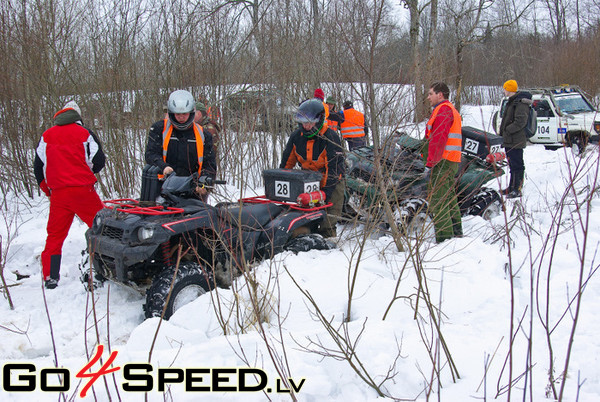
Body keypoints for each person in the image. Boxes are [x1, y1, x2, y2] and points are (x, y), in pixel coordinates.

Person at [34, 101, 106, 289]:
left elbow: (38, 167)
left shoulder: (47, 135)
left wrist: (48, 190)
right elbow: (98, 160)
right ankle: (104, 267)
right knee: (104, 229)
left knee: (55, 236)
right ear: (78, 117)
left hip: (59, 193)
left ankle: (50, 277)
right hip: (83, 191)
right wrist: (87, 171)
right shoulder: (85, 133)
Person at [280, 99, 345, 238]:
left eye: (310, 122)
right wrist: (281, 181)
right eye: (304, 122)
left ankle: (328, 241)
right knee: (304, 215)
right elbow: (287, 163)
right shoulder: (296, 137)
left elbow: (333, 169)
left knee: (327, 220)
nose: (307, 126)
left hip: (331, 180)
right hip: (307, 179)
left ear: (319, 120)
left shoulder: (330, 137)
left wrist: (325, 194)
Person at [145, 90, 216, 200]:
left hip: (192, 190)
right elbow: (150, 154)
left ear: (191, 113)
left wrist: (205, 179)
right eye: (178, 114)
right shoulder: (159, 129)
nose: (181, 117)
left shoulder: (204, 135)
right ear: (172, 113)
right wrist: (164, 167)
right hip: (162, 187)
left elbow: (210, 163)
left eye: (184, 114)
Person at [423, 82, 463, 243]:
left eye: (430, 93)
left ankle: (444, 239)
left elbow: (438, 139)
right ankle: (456, 232)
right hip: (449, 160)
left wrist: (430, 162)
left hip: (442, 160)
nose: (428, 97)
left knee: (438, 200)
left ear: (440, 95)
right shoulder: (448, 109)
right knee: (449, 197)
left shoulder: (444, 110)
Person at [499, 79, 531, 198]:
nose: (504, 91)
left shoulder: (520, 103)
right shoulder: (512, 101)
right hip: (510, 139)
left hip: (516, 139)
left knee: (517, 164)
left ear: (509, 89)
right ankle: (511, 187)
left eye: (505, 88)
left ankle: (517, 188)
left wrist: (507, 130)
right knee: (512, 164)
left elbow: (520, 122)